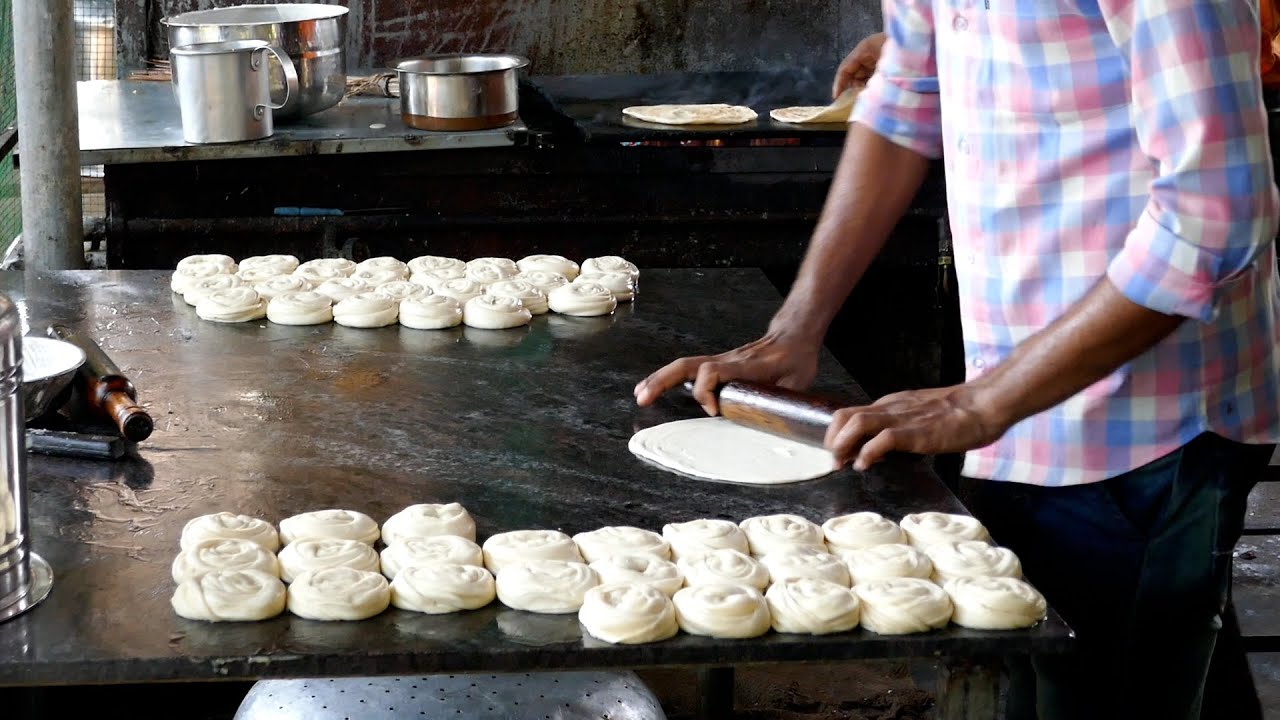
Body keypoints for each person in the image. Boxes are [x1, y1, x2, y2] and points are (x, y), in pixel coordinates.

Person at [634, 2, 1280, 718]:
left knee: (1107, 685)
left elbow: (1215, 212)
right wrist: (795, 327)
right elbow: (907, 91)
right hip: (1011, 403)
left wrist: (979, 403)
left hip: (1141, 421)